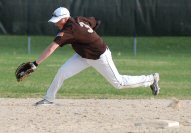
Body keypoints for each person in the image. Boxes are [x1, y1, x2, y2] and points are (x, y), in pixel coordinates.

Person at [33, 7, 160, 106]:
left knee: (119, 83)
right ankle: (49, 99)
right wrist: (89, 38)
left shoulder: (69, 30)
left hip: (100, 57)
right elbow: (95, 22)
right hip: (83, 55)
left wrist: (35, 63)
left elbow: (52, 48)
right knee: (62, 72)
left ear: (65, 18)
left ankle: (151, 79)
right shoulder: (79, 19)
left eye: (57, 21)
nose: (56, 24)